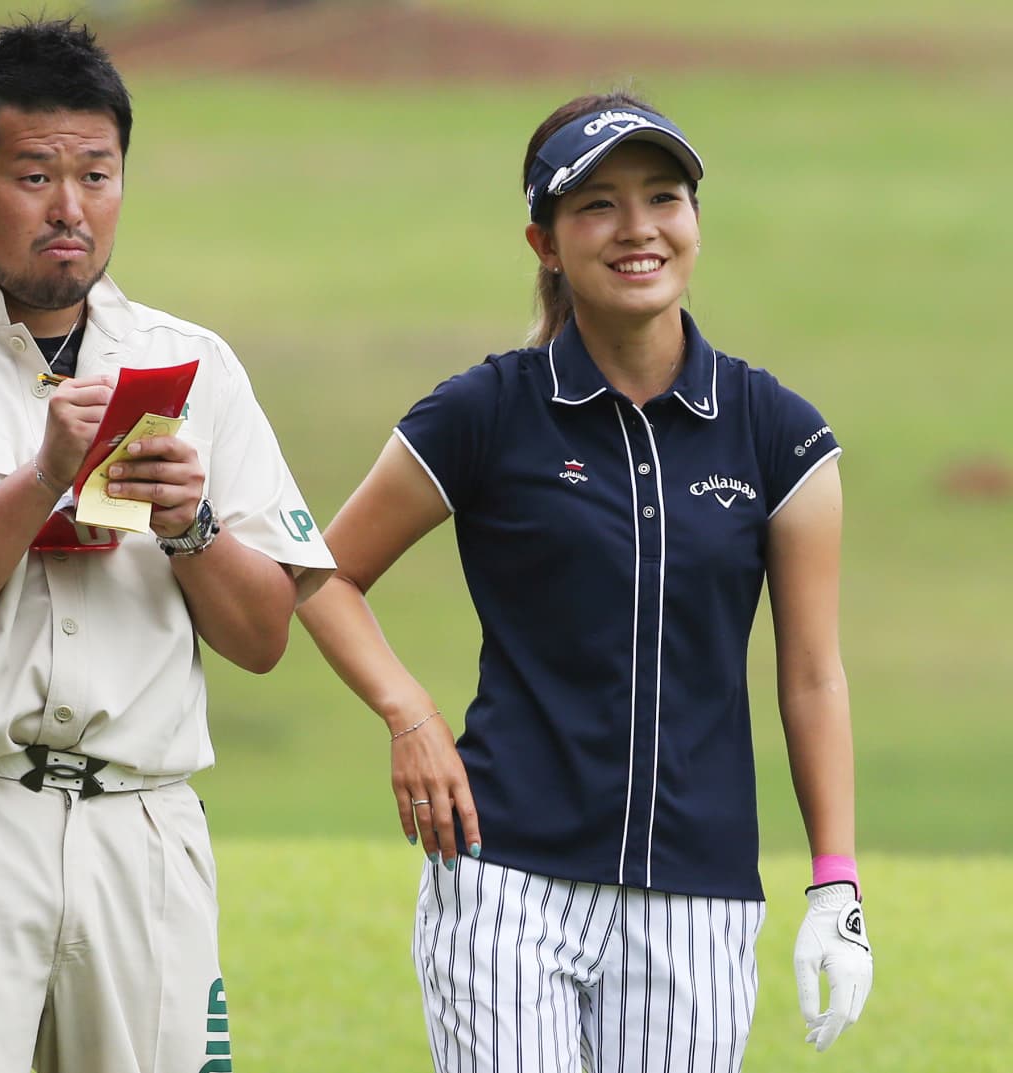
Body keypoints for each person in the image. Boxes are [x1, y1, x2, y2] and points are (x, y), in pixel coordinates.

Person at [0, 18, 333, 1073]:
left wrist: (191, 525)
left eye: (97, 172)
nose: (70, 209)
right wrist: (41, 479)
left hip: (140, 827)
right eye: (34, 175)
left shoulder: (194, 364)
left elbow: (263, 631)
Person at [297, 92, 873, 1071]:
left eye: (662, 196)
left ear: (694, 219)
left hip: (698, 895)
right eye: (598, 204)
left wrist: (834, 882)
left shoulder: (776, 431)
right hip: (505, 878)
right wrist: (408, 714)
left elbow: (811, 674)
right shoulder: (485, 411)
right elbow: (317, 572)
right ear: (545, 241)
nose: (637, 228)